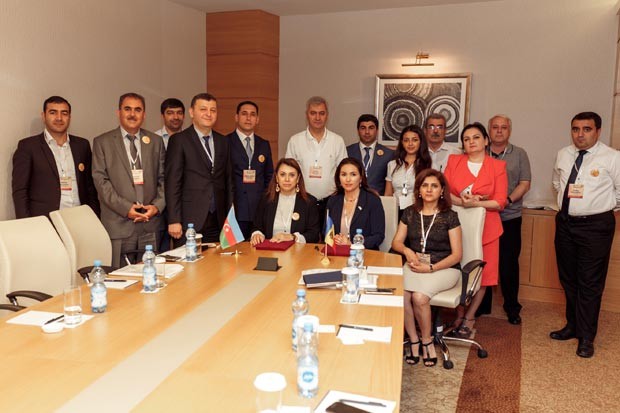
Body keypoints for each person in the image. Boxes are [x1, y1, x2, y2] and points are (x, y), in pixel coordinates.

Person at [550, 112, 620, 358]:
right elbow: (558, 184)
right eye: (575, 129)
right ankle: (573, 326)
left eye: (587, 129)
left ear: (598, 131)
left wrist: (598, 209)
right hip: (565, 223)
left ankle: (587, 337)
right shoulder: (563, 154)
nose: (580, 134)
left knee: (590, 282)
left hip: (596, 227)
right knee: (568, 278)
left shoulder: (612, 157)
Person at [392, 169, 462, 367]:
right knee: (401, 295)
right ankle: (413, 340)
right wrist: (407, 250)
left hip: (444, 268)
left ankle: (427, 340)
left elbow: (457, 255)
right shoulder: (410, 213)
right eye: (425, 185)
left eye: (434, 186)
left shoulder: (450, 216)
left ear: (442, 191)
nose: (429, 190)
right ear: (419, 190)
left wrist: (431, 268)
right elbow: (396, 242)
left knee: (419, 297)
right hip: (415, 265)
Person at [443, 122, 507, 338]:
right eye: (466, 139)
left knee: (482, 276)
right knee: (459, 271)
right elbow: (445, 193)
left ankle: (470, 317)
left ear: (486, 141)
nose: (471, 142)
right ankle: (459, 314)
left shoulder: (497, 166)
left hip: (488, 229)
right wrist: (462, 202)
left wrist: (476, 203)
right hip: (456, 226)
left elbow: (499, 202)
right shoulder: (454, 161)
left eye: (476, 137)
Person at [92, 93, 165, 268]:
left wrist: (156, 206)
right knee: (120, 277)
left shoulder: (155, 141)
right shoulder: (102, 142)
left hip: (149, 223)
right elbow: (101, 182)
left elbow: (164, 178)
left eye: (137, 110)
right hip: (119, 224)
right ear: (118, 112)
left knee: (150, 274)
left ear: (144, 115)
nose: (132, 114)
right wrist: (126, 209)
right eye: (127, 109)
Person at [12, 96, 99, 219]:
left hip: (79, 218)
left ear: (69, 117)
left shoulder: (82, 145)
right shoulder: (28, 146)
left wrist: (94, 216)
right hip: (45, 221)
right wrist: (27, 223)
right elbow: (20, 191)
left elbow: (90, 187)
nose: (59, 118)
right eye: (53, 112)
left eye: (64, 113)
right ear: (43, 116)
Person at [165, 93, 233, 244]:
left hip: (219, 220)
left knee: (217, 258)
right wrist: (174, 219)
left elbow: (229, 181)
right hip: (189, 220)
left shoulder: (223, 141)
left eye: (213, 110)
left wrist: (230, 218)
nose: (208, 114)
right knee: (189, 259)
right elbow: (172, 182)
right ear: (191, 112)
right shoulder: (179, 140)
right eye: (203, 109)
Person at [488, 114, 531, 325]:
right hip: (483, 217)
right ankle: (481, 305)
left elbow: (525, 183)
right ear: (489, 130)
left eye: (503, 127)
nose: (499, 131)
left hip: (509, 216)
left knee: (509, 264)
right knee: (482, 261)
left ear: (509, 131)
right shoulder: (479, 152)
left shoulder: (519, 153)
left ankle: (512, 307)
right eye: (495, 127)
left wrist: (507, 200)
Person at [285, 96, 347, 229]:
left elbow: (344, 172)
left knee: (329, 238)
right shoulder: (295, 141)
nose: (317, 117)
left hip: (331, 201)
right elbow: (288, 172)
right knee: (304, 238)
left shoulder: (337, 141)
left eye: (321, 113)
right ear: (307, 115)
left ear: (327, 115)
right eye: (313, 113)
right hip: (303, 201)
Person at [227, 101, 274, 239]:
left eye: (253, 114)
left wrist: (267, 203)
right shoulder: (225, 142)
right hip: (235, 209)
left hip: (259, 209)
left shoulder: (264, 144)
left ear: (257, 119)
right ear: (236, 117)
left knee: (258, 247)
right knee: (236, 249)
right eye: (244, 114)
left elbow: (269, 176)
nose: (248, 118)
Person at [250, 158, 319, 245]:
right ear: (276, 178)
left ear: (298, 178)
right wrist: (257, 234)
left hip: (298, 251)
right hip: (270, 250)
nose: (287, 179)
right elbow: (256, 227)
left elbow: (314, 235)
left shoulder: (309, 202)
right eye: (282, 174)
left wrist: (292, 237)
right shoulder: (266, 199)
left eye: (292, 175)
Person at [326, 158, 385, 250]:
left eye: (353, 174)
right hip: (337, 252)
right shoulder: (333, 200)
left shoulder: (372, 200)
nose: (348, 179)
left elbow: (378, 236)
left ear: (361, 178)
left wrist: (352, 244)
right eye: (343, 174)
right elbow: (326, 231)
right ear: (338, 178)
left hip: (364, 253)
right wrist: (334, 239)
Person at [384, 125, 432, 213]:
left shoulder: (427, 164)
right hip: (395, 210)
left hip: (418, 210)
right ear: (402, 142)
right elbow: (388, 194)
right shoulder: (392, 164)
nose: (410, 144)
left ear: (421, 142)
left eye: (415, 140)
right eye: (406, 140)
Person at [346, 114, 394, 195]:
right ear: (358, 131)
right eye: (363, 128)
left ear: (377, 130)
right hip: (352, 198)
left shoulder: (389, 154)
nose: (367, 132)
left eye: (371, 128)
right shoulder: (347, 152)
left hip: (378, 199)